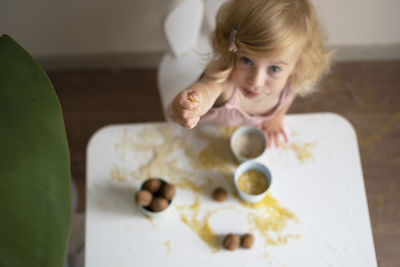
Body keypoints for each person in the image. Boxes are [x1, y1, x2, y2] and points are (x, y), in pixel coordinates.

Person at [169, 0, 332, 148]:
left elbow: (290, 97)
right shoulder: (226, 84)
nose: (256, 81)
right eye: (246, 60)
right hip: (195, 138)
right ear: (233, 52)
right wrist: (194, 101)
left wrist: (277, 116)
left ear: (296, 66)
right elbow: (208, 89)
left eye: (274, 69)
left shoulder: (290, 83)